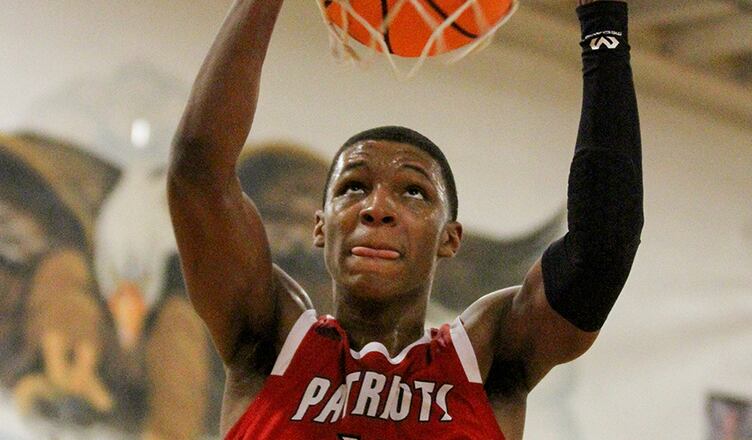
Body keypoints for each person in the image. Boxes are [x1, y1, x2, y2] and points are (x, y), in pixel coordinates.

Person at [167, 0, 643, 438]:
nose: (378, 207)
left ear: (449, 238)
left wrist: (603, 22)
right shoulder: (269, 336)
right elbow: (197, 169)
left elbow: (602, 246)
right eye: (353, 186)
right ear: (320, 225)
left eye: (413, 192)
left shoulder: (487, 358)